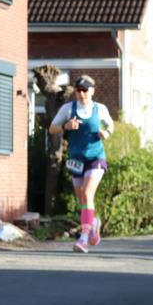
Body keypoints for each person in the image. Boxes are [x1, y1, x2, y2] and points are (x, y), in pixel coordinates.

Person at [49, 76, 114, 253]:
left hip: (95, 158)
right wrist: (66, 126)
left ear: (93, 90)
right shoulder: (68, 109)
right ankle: (94, 222)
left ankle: (83, 238)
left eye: (85, 90)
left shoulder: (99, 109)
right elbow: (52, 128)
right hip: (76, 160)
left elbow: (111, 125)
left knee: (87, 193)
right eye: (78, 90)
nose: (81, 93)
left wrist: (106, 133)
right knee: (82, 200)